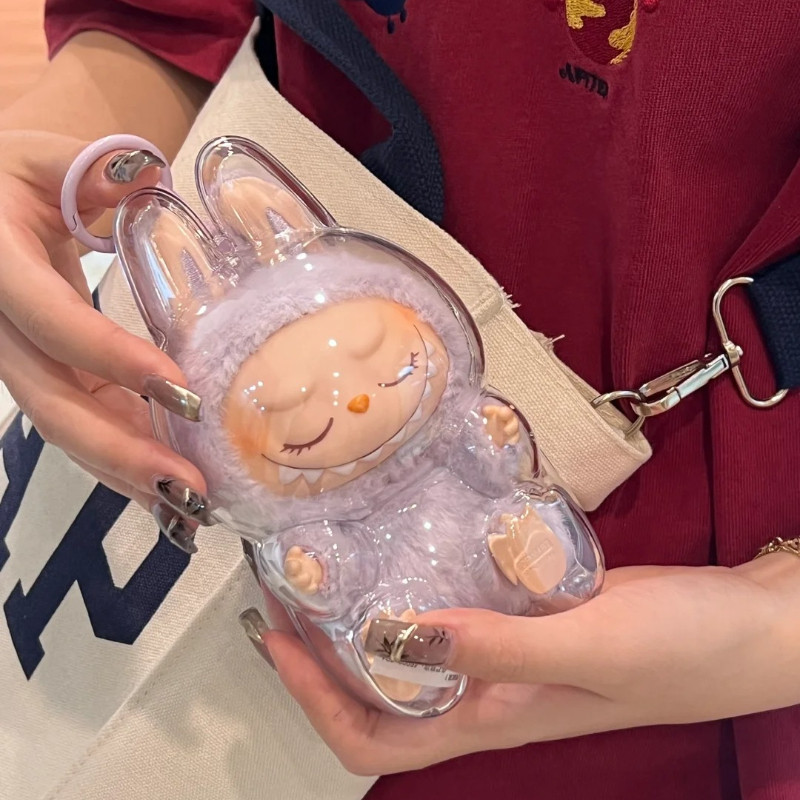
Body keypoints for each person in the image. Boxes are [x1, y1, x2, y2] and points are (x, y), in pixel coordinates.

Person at [0, 1, 797, 798]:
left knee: (510, 526)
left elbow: (488, 457)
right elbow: (164, 19)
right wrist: (43, 180)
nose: (349, 405)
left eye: (371, 359)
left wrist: (777, 619)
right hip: (289, 689)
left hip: (715, 621)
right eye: (298, 406)